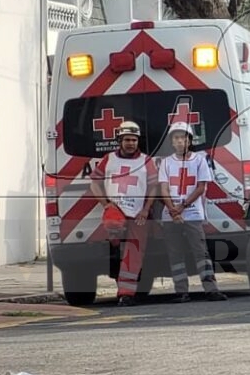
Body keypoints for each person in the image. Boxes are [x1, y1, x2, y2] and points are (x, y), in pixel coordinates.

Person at [88, 120, 158, 306]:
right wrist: (106, 205)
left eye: (134, 140)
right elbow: (95, 182)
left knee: (133, 252)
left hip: (138, 215)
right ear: (120, 140)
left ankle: (126, 293)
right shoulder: (109, 159)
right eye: (127, 139)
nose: (131, 143)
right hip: (115, 214)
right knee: (112, 250)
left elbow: (153, 187)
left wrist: (146, 209)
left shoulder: (146, 161)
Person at [157, 123, 226, 303]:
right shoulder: (166, 162)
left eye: (183, 138)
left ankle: (211, 289)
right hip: (170, 215)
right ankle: (181, 292)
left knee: (200, 252)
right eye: (176, 138)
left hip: (193, 213)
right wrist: (172, 208)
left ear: (189, 140)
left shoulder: (199, 160)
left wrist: (182, 206)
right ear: (172, 142)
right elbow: (163, 188)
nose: (180, 141)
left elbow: (201, 187)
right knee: (175, 253)